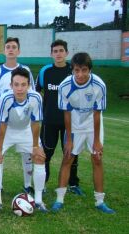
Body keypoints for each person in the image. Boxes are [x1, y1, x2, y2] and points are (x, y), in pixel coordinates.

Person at [51, 52, 115, 214]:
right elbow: (66, 113)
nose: (80, 74)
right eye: (77, 70)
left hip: (93, 125)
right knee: (67, 158)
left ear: (89, 70)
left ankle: (100, 201)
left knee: (97, 159)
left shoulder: (98, 85)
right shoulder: (65, 85)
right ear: (72, 70)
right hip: (74, 125)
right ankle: (59, 199)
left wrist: (97, 141)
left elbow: (96, 113)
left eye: (84, 70)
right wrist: (69, 140)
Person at [0, 67, 47, 213]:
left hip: (26, 129)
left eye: (23, 85)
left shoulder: (36, 97)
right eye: (16, 84)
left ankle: (39, 201)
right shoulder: (5, 98)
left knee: (40, 157)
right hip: (7, 129)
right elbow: (1, 124)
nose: (20, 88)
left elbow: (35, 123)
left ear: (29, 85)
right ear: (11, 85)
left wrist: (35, 146)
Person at [0, 37, 35, 195]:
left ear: (18, 51)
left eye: (14, 47)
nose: (11, 49)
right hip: (4, 121)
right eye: (8, 47)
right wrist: (6, 106)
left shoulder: (26, 70)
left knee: (28, 153)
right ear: (4, 51)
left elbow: (32, 94)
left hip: (24, 120)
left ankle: (28, 185)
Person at [36, 39, 82, 195]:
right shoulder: (45, 72)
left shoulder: (74, 71)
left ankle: (73, 184)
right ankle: (42, 184)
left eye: (61, 51)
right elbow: (36, 93)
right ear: (51, 54)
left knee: (71, 154)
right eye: (55, 51)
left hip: (71, 121)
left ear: (67, 53)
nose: (58, 54)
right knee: (46, 153)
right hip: (50, 120)